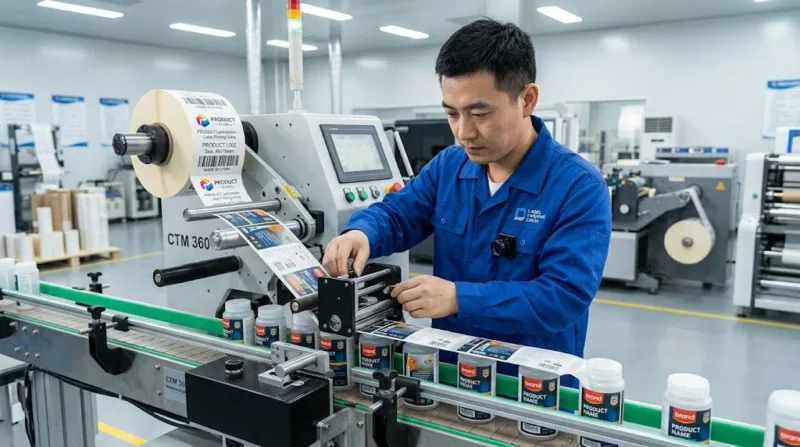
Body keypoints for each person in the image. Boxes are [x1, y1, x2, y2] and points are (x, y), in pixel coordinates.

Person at [322, 19, 611, 387]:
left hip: (534, 385)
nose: (463, 132)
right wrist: (361, 233)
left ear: (527, 99)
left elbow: (563, 296)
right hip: (450, 372)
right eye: (451, 113)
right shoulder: (450, 166)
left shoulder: (578, 186)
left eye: (479, 113)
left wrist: (459, 298)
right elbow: (398, 214)